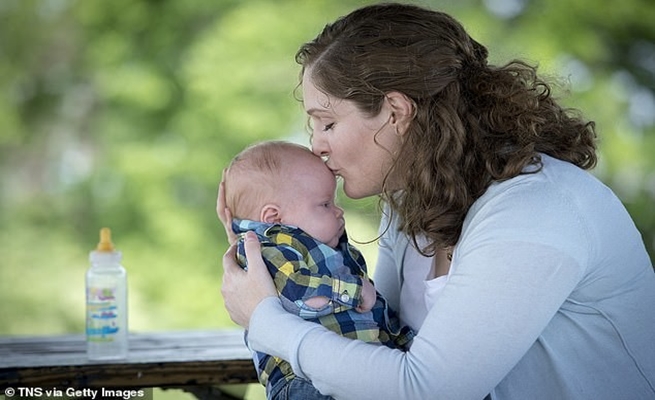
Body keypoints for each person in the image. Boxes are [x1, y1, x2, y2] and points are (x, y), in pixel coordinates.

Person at [218, 3, 655, 400]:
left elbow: (426, 389)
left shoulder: (536, 210)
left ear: (396, 112)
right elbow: (375, 339)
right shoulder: (411, 203)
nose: (317, 146)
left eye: (327, 123)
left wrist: (267, 320)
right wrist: (271, 245)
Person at [221, 140, 414, 400]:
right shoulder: (270, 249)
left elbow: (376, 314)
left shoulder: (324, 249)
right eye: (325, 204)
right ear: (274, 218)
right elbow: (298, 291)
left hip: (340, 375)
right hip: (302, 383)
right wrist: (355, 292)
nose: (339, 211)